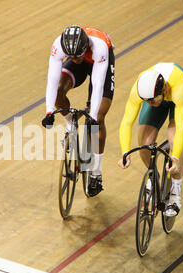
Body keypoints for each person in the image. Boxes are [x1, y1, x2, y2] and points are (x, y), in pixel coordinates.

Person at [41, 25, 115, 197]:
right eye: (71, 57)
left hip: (100, 62)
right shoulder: (59, 45)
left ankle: (96, 172)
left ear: (85, 47)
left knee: (98, 120)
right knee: (60, 89)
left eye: (78, 56)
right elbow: (52, 80)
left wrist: (93, 115)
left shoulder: (99, 47)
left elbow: (97, 85)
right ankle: (70, 124)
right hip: (85, 58)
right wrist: (48, 111)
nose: (75, 60)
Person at [118, 62, 183, 216]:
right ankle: (153, 178)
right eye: (147, 102)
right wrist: (125, 152)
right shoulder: (140, 90)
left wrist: (175, 157)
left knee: (173, 137)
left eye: (153, 101)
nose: (151, 105)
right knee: (144, 144)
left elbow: (180, 128)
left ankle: (176, 191)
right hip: (156, 92)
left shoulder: (178, 87)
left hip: (179, 95)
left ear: (164, 89)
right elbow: (126, 122)